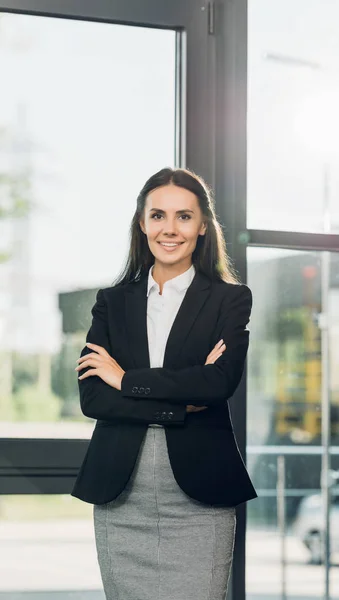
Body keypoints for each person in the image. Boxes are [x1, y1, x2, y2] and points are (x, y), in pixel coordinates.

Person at [71, 167, 257, 600]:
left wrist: (125, 380)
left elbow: (217, 384)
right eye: (158, 216)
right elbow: (94, 396)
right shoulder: (112, 303)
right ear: (142, 224)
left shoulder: (230, 299)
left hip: (199, 500)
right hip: (121, 497)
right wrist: (176, 404)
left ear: (203, 227)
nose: (169, 229)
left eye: (184, 217)